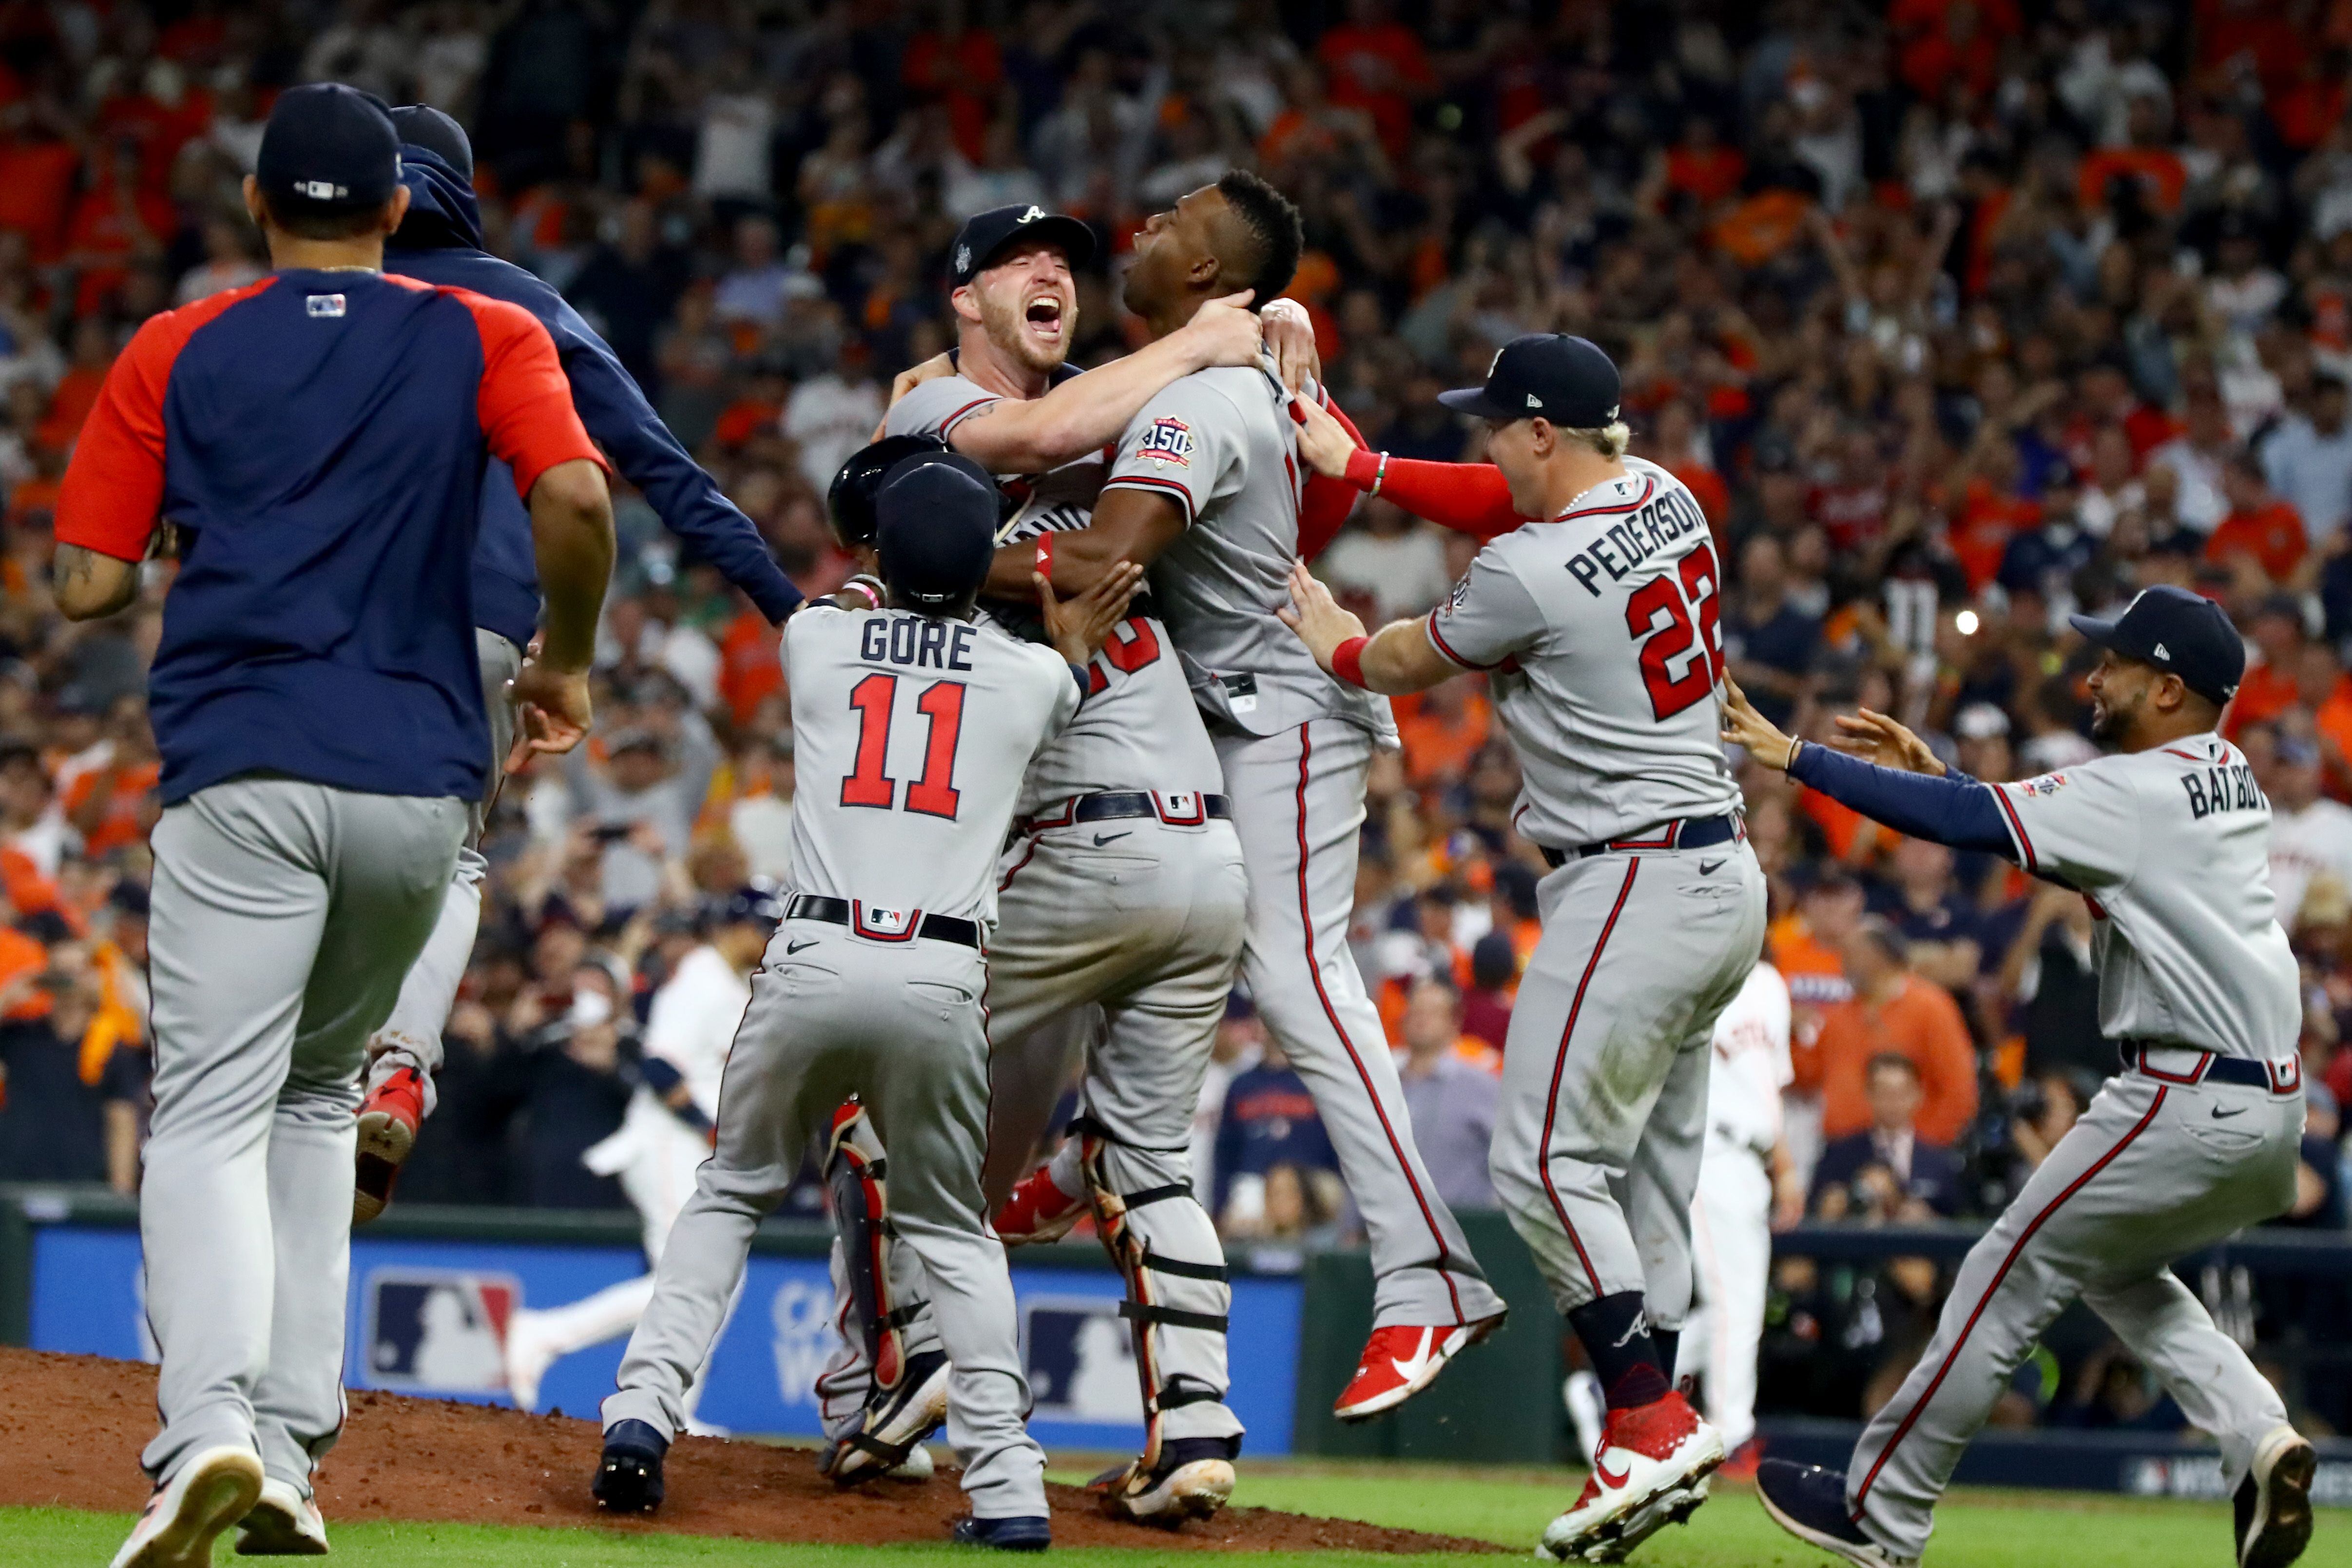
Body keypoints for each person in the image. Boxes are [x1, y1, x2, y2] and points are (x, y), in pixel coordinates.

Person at [58, 84, 614, 1568]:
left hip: (246, 763)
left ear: (256, 210)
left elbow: (82, 586)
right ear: (391, 211)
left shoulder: (179, 345)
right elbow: (572, 495)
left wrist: (183, 529)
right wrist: (564, 654)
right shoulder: (488, 332)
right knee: (317, 1100)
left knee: (214, 1112)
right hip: (423, 783)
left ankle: (208, 1431)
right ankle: (297, 1455)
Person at [977, 173, 1510, 1423]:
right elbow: (1305, 497)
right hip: (1221, 720)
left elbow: (1105, 558)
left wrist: (913, 551)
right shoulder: (1207, 380)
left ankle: (1431, 1276)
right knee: (1157, 929)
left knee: (1296, 974)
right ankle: (1091, 1149)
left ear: (1213, 277)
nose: (1143, 227)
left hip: (1282, 714)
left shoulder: (1202, 395)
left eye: (1174, 222)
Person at [590, 452, 1144, 1552]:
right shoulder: (1031, 676)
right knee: (952, 1230)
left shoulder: (818, 640)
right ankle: (1008, 1488)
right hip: (941, 974)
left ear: (878, 554)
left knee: (732, 1188)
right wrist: (1070, 648)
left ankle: (641, 1423)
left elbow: (780, 567)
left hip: (813, 952)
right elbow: (1052, 686)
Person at [814, 199, 1275, 1521]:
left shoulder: (1105, 415)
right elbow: (1038, 443)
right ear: (961, 300)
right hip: (1200, 851)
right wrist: (1223, 337)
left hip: (1085, 842)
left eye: (1068, 262)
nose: (1056, 275)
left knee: (870, 1080)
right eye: (1019, 261)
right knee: (1146, 1154)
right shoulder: (934, 423)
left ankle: (901, 1377)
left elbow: (1060, 467)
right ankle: (1194, 1420)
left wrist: (1260, 323)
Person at [1283, 332, 1768, 1562]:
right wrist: (1374, 467)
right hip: (1723, 876)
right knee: (1643, 1170)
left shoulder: (1525, 572)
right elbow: (1507, 493)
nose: (1484, 443)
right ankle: (1646, 1425)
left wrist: (1333, 636)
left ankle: (1648, 1417)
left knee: (1541, 1160)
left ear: (1542, 432)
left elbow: (1402, 657)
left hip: (1630, 877)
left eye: (1496, 423)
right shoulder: (1665, 490)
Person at [1723, 584, 2317, 1568]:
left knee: (2006, 1268)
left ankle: (1882, 1510)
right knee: (2116, 1269)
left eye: (2115, 663)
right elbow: (2062, 845)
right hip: (2266, 1110)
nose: (2091, 676)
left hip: (2181, 1092)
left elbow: (1973, 827)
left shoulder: (2137, 789)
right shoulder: (2225, 774)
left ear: (2168, 689)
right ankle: (2258, 1437)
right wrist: (1950, 780)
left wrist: (1801, 758)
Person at [349, 105, 803, 1227]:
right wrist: (789, 607)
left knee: (297, 853)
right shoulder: (520, 304)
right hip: (483, 627)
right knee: (451, 857)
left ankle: (294, 1086)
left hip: (327, 620)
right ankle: (403, 1056)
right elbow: (663, 470)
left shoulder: (319, 308)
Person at [500, 886, 782, 1416]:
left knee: (715, 1279)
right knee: (692, 1281)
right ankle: (547, 1333)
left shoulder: (724, 981)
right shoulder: (701, 980)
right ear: (736, 926)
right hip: (668, 1142)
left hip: (681, 1144)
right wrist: (710, 1129)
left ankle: (675, 1410)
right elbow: (660, 1068)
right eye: (764, 928)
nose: (769, 938)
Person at [1676, 960, 1796, 1481]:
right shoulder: (1691, 975)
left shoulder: (1769, 983)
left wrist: (1785, 1165)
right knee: (1735, 1302)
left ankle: (1625, 1385)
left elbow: (1772, 1084)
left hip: (1755, 1157)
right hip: (1711, 1150)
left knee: (1738, 1303)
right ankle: (1730, 1435)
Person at [1810, 918, 1979, 1149]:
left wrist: (1922, 1151)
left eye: (1851, 953)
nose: (1843, 962)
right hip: (1840, 1152)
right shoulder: (1838, 1014)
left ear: (1879, 956)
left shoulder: (1930, 1007)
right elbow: (1807, 1074)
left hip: (1906, 1156)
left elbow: (1959, 1091)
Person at [1809, 1053, 1965, 1220]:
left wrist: (1927, 1218)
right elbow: (1814, 1211)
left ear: (1917, 1095)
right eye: (1884, 1092)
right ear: (1869, 1094)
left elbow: (1962, 1219)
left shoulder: (1939, 1163)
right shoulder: (1840, 1155)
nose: (1893, 1102)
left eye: (1901, 1093)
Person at [1393, 974, 1501, 1211]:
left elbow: (1509, 1159)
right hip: (1392, 1225)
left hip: (1461, 1228)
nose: (1421, 1019)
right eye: (1416, 1010)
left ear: (1454, 1023)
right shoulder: (1384, 1086)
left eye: (1433, 1012)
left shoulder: (1479, 1087)